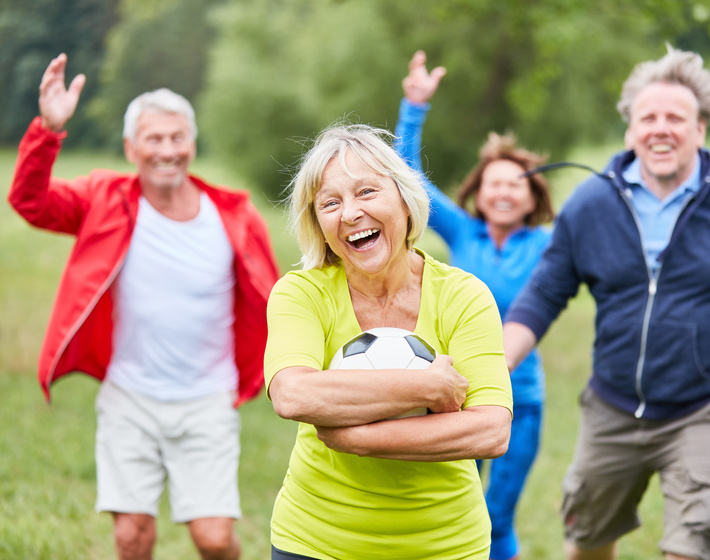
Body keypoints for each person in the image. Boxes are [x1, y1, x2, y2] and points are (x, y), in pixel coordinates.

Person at [503, 47, 710, 560]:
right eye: (648, 118)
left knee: (692, 546)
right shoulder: (589, 208)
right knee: (586, 544)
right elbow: (544, 294)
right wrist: (495, 365)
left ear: (701, 129)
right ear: (630, 130)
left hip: (709, 409)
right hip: (612, 405)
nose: (661, 129)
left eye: (676, 118)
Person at [7, 53, 280, 560]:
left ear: (192, 144)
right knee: (133, 538)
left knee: (214, 539)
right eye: (154, 139)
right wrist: (49, 129)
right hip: (130, 397)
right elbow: (32, 203)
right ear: (132, 147)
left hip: (208, 399)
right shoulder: (104, 199)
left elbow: (277, 296)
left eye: (177, 138)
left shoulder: (234, 216)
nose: (167, 150)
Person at [263, 123, 513, 559]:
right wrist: (428, 388)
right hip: (317, 542)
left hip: (445, 545)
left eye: (366, 192)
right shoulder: (300, 293)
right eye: (330, 203)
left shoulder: (464, 295)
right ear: (318, 224)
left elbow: (490, 429)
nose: (350, 214)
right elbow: (291, 393)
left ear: (405, 199)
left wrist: (358, 438)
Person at [394, 50, 554, 560]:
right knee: (450, 513)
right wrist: (413, 107)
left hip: (520, 400)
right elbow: (407, 175)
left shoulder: (550, 244)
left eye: (516, 184)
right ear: (478, 194)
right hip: (454, 394)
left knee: (496, 516)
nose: (504, 191)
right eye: (494, 183)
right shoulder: (463, 231)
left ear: (533, 198)